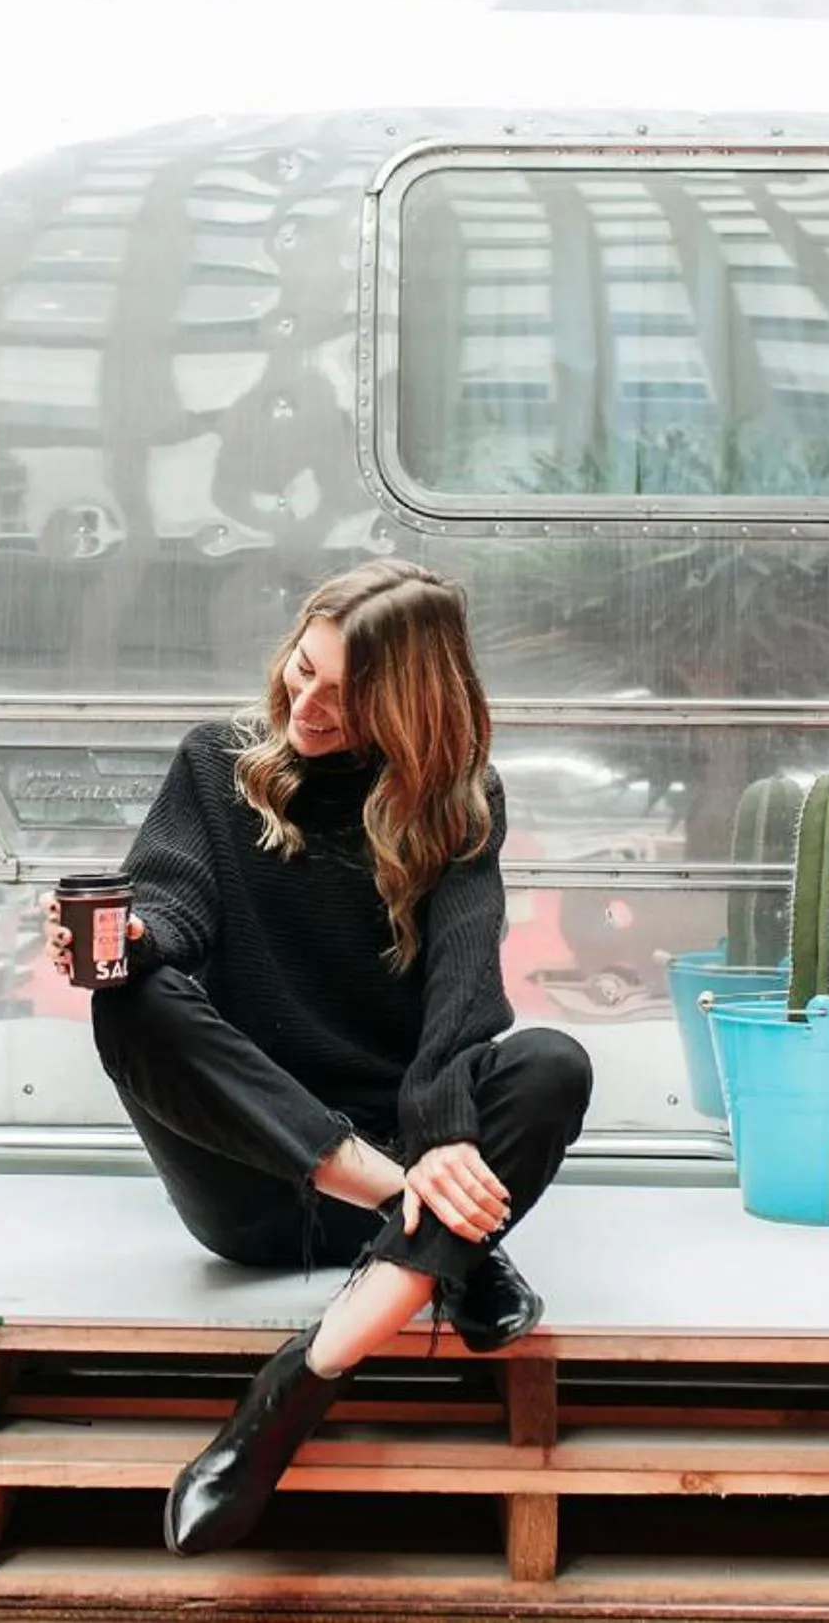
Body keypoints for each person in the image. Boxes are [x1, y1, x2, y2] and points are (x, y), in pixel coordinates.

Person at [45, 557, 594, 1556]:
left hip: (406, 1141)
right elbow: (173, 900)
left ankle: (287, 1394)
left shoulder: (459, 802)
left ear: (411, 700)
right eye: (303, 670)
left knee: (552, 1062)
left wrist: (440, 1130)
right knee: (129, 1002)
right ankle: (429, 1233)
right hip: (255, 1173)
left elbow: (461, 993)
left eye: (345, 691)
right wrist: (128, 939)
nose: (308, 702)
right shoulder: (218, 762)